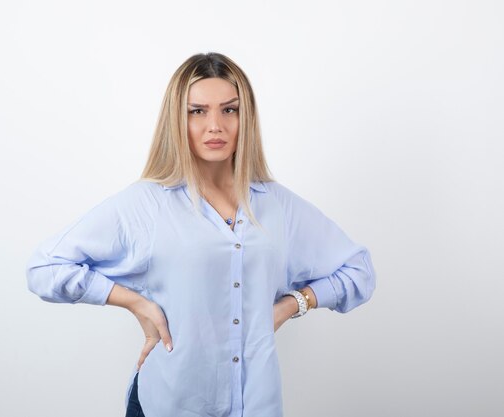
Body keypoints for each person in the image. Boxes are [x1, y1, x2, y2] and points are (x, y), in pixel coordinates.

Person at [25, 52, 376, 417]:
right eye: (197, 111)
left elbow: (359, 271)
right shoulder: (147, 205)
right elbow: (46, 268)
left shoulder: (278, 206)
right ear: (177, 119)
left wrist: (292, 305)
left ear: (246, 118)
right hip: (170, 404)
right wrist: (135, 303)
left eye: (229, 110)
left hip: (257, 405)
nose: (215, 126)